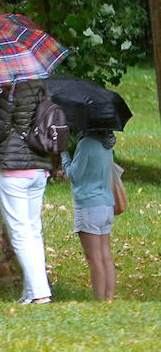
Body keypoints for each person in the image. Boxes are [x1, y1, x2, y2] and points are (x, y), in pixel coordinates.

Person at [0, 81, 52, 304]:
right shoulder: (41, 86)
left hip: (14, 171)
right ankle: (31, 292)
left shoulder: (7, 88)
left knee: (20, 234)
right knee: (33, 231)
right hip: (39, 167)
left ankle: (40, 293)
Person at [62, 129, 117, 301]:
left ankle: (100, 300)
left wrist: (64, 155)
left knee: (94, 259)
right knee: (105, 255)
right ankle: (109, 299)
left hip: (89, 206)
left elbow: (74, 175)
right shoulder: (107, 143)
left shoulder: (86, 144)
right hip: (106, 204)